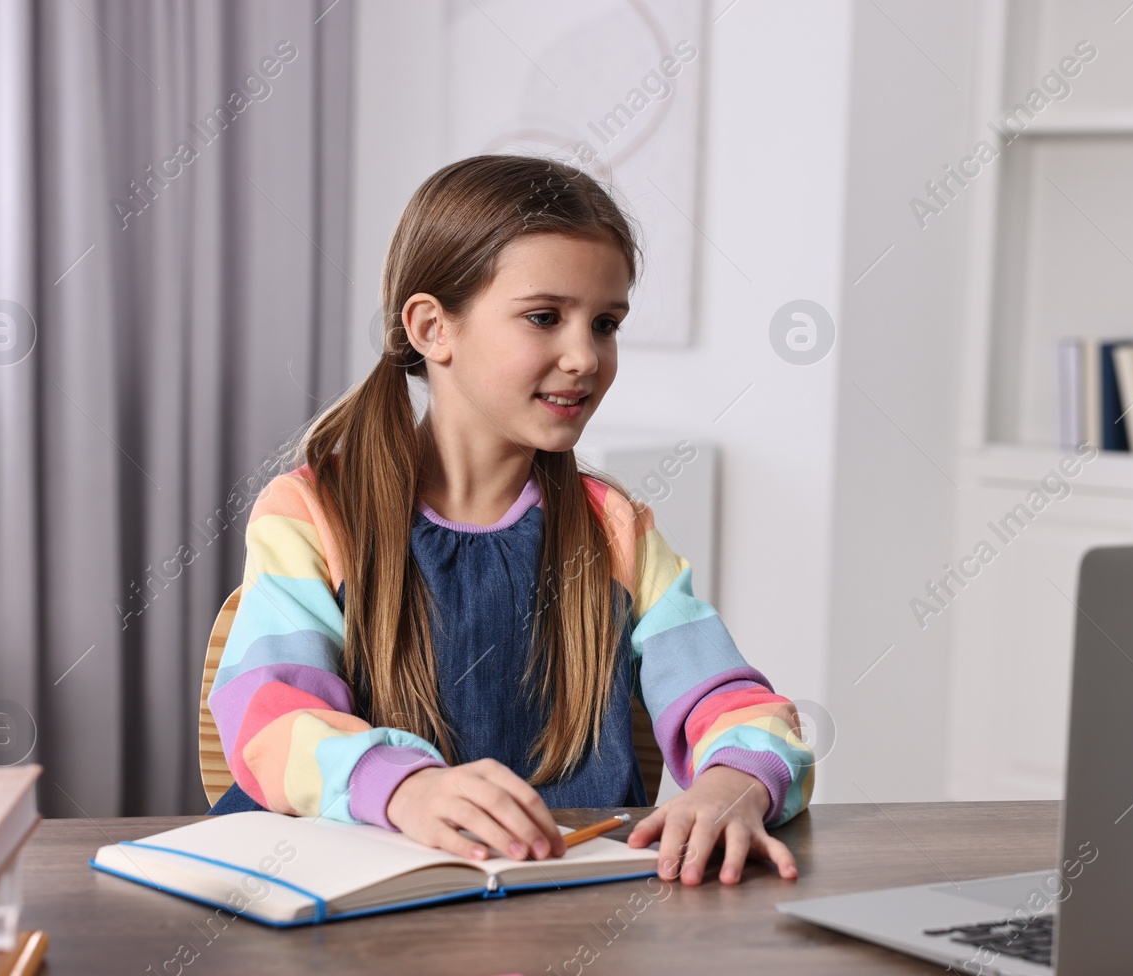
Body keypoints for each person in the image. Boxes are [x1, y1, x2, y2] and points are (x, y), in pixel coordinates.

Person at [206, 154, 813, 886]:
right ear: (433, 327)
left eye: (607, 322)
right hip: (345, 915)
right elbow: (270, 716)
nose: (585, 356)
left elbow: (735, 701)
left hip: (564, 924)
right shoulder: (311, 515)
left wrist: (734, 783)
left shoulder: (613, 530)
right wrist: (405, 787)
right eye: (544, 317)